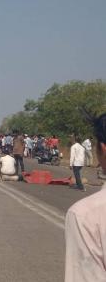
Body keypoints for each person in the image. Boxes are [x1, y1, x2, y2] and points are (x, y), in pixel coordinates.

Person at [65, 113, 106, 281]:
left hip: (76, 162)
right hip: (80, 162)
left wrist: (70, 163)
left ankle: (80, 186)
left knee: (77, 174)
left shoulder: (85, 215)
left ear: (102, 148)